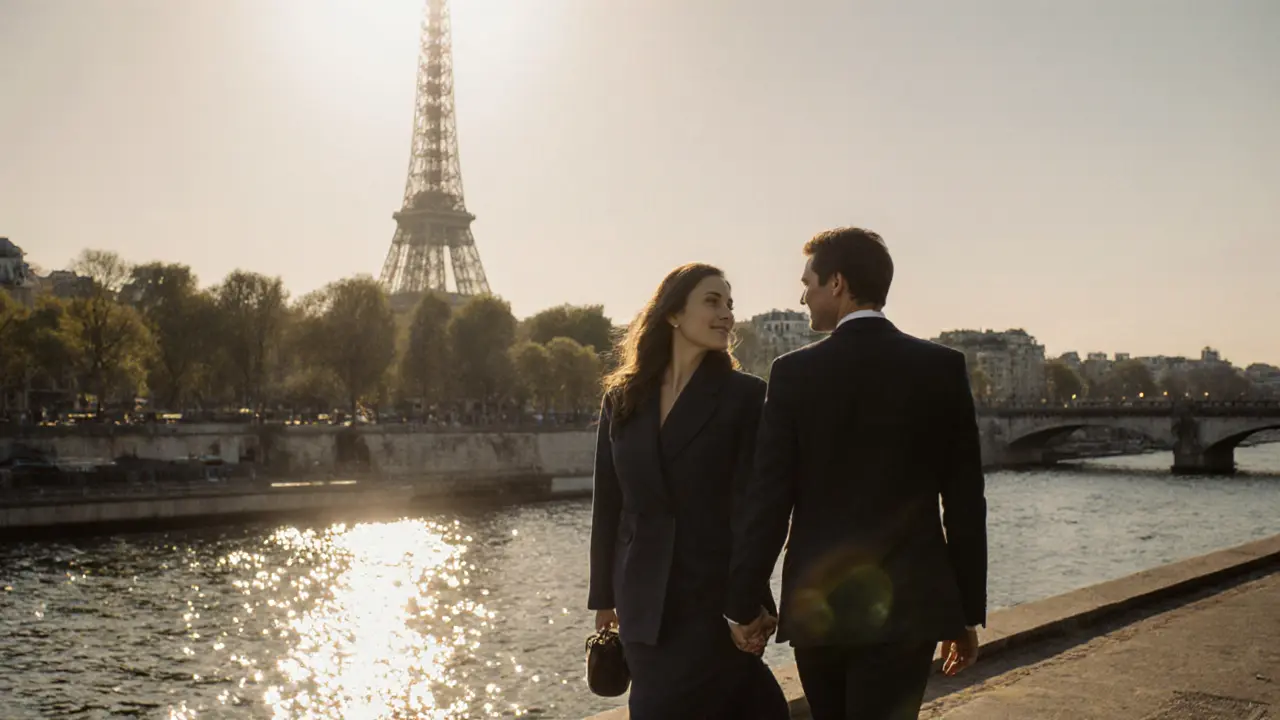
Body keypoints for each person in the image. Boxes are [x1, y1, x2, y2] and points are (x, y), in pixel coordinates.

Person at [724, 228, 988, 720]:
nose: (802, 295)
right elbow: (965, 501)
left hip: (818, 608)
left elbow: (769, 501)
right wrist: (964, 610)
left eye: (809, 283)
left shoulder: (793, 374)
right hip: (909, 607)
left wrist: (742, 602)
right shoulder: (940, 367)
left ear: (838, 283)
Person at [588, 263, 789, 720]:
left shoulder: (745, 396)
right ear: (673, 313)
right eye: (713, 301)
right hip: (640, 600)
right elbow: (609, 503)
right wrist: (603, 593)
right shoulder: (621, 397)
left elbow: (755, 512)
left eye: (730, 304)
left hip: (713, 602)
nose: (727, 315)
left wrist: (748, 603)